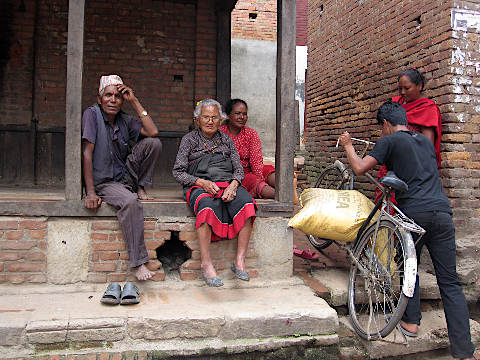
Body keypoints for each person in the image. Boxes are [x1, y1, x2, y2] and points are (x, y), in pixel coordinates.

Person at [338, 101, 475, 360]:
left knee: (405, 264)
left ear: (386, 124)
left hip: (415, 214)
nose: (381, 133)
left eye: (381, 128)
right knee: (450, 283)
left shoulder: (389, 141)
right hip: (443, 213)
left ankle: (411, 322)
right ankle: (465, 352)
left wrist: (347, 145)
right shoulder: (424, 141)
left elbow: (358, 168)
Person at [82, 75, 162, 281]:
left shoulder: (124, 119)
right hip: (106, 182)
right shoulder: (92, 115)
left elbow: (152, 132)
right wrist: (90, 191)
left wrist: (133, 100)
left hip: (125, 176)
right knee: (130, 202)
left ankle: (141, 187)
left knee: (153, 143)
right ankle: (138, 262)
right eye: (108, 95)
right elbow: (87, 152)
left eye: (118, 96)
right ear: (99, 99)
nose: (113, 100)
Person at [172, 99, 257, 287]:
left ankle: (239, 261)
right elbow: (178, 172)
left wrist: (234, 185)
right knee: (206, 205)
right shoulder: (189, 140)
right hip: (199, 184)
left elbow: (238, 170)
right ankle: (206, 263)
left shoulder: (226, 140)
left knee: (247, 203)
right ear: (197, 119)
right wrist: (200, 182)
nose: (210, 121)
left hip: (226, 182)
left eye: (214, 118)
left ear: (221, 120)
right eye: (205, 117)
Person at [376, 69, 442, 203]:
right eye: (400, 88)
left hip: (410, 164)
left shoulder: (426, 108)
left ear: (419, 86)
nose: (402, 92)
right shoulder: (396, 104)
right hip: (391, 162)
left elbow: (427, 145)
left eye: (407, 88)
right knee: (385, 201)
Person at [220, 99, 298, 203]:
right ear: (228, 115)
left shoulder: (251, 134)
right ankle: (285, 195)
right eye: (237, 113)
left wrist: (260, 176)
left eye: (245, 114)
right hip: (232, 174)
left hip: (251, 169)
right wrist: (258, 180)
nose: (242, 117)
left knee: (267, 169)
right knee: (253, 180)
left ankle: (288, 185)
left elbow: (256, 160)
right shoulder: (220, 134)